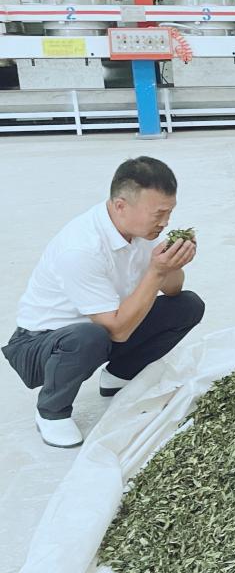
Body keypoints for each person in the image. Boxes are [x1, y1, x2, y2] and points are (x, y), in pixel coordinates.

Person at [2, 157, 204, 448]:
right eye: (158, 214)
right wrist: (156, 271)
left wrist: (173, 263)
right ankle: (51, 411)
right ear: (121, 205)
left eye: (169, 212)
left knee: (187, 306)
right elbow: (117, 331)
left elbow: (173, 290)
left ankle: (118, 375)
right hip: (41, 343)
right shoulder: (81, 248)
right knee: (89, 336)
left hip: (102, 327)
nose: (165, 222)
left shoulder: (144, 231)